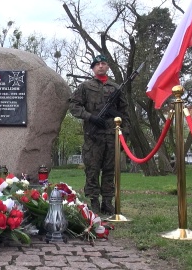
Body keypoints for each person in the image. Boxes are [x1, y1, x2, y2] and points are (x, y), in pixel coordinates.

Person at [69, 54, 130, 215]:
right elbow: (73, 106)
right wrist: (91, 117)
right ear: (93, 68)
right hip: (93, 136)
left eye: (103, 63)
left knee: (110, 170)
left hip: (112, 136)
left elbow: (125, 113)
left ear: (107, 66)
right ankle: (94, 201)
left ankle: (107, 202)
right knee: (92, 170)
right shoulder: (85, 87)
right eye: (97, 64)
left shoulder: (116, 88)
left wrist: (125, 137)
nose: (100, 66)